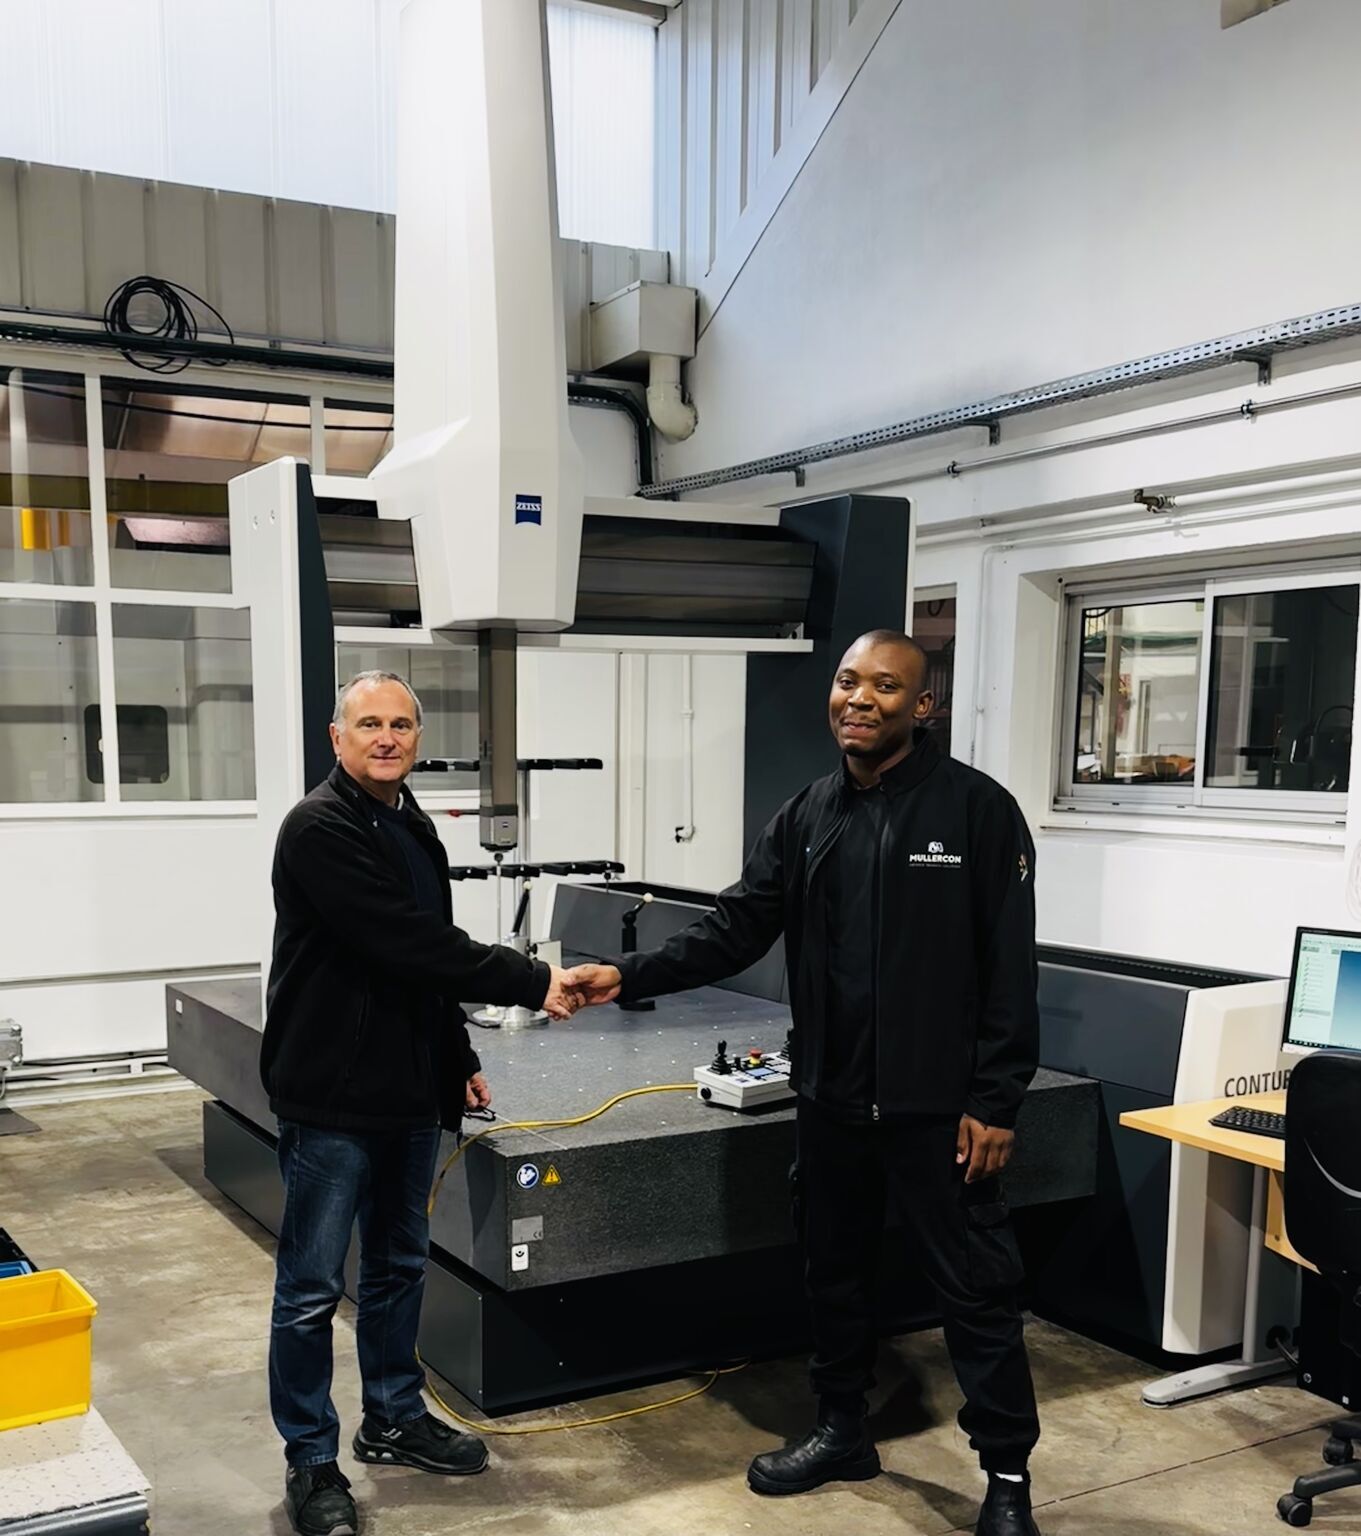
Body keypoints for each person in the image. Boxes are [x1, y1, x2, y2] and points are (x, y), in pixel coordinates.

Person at [568, 630, 1044, 1536]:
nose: (858, 699)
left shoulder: (976, 812)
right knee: (834, 1275)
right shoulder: (807, 815)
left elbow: (1008, 970)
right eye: (846, 681)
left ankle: (1007, 1477)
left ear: (922, 706)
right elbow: (734, 928)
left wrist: (993, 1100)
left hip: (937, 1111)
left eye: (885, 687)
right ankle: (841, 1431)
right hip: (830, 1101)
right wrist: (624, 975)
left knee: (975, 1292)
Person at [262, 670, 581, 1536]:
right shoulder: (318, 827)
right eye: (369, 723)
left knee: (400, 1266)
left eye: (401, 725)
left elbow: (427, 967)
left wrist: (457, 1056)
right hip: (330, 1095)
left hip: (407, 1093)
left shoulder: (412, 825)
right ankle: (311, 1458)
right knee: (310, 1289)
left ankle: (393, 1417)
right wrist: (533, 978)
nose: (387, 738)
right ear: (337, 737)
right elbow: (404, 942)